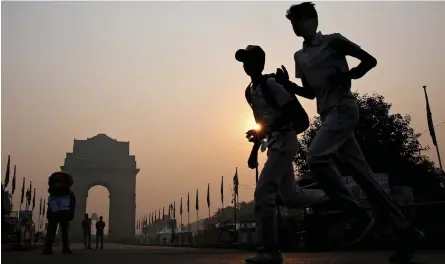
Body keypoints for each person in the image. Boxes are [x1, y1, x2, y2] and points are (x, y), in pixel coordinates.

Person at [276, 2, 424, 263]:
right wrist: (287, 84)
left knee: (316, 158)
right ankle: (405, 231)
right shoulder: (300, 57)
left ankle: (358, 215)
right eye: (291, 22)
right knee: (364, 177)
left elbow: (370, 61)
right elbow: (311, 92)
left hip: (344, 109)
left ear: (312, 20)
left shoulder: (334, 41)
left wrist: (350, 75)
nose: (295, 25)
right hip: (328, 115)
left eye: (298, 20)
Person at [235, 45, 328, 264]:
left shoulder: (272, 86)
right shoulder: (251, 91)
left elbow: (299, 119)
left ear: (260, 63)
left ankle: (269, 251)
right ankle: (333, 195)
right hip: (273, 145)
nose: (246, 66)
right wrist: (254, 152)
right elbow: (261, 125)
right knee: (293, 197)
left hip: (284, 143)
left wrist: (275, 130)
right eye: (244, 62)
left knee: (264, 192)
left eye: (250, 60)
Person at [42, 171, 75, 255]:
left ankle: (47, 249)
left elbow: (50, 205)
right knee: (65, 230)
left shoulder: (53, 194)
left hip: (54, 213)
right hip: (64, 212)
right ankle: (65, 248)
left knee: (51, 230)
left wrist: (48, 214)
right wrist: (71, 213)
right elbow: (72, 203)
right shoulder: (69, 193)